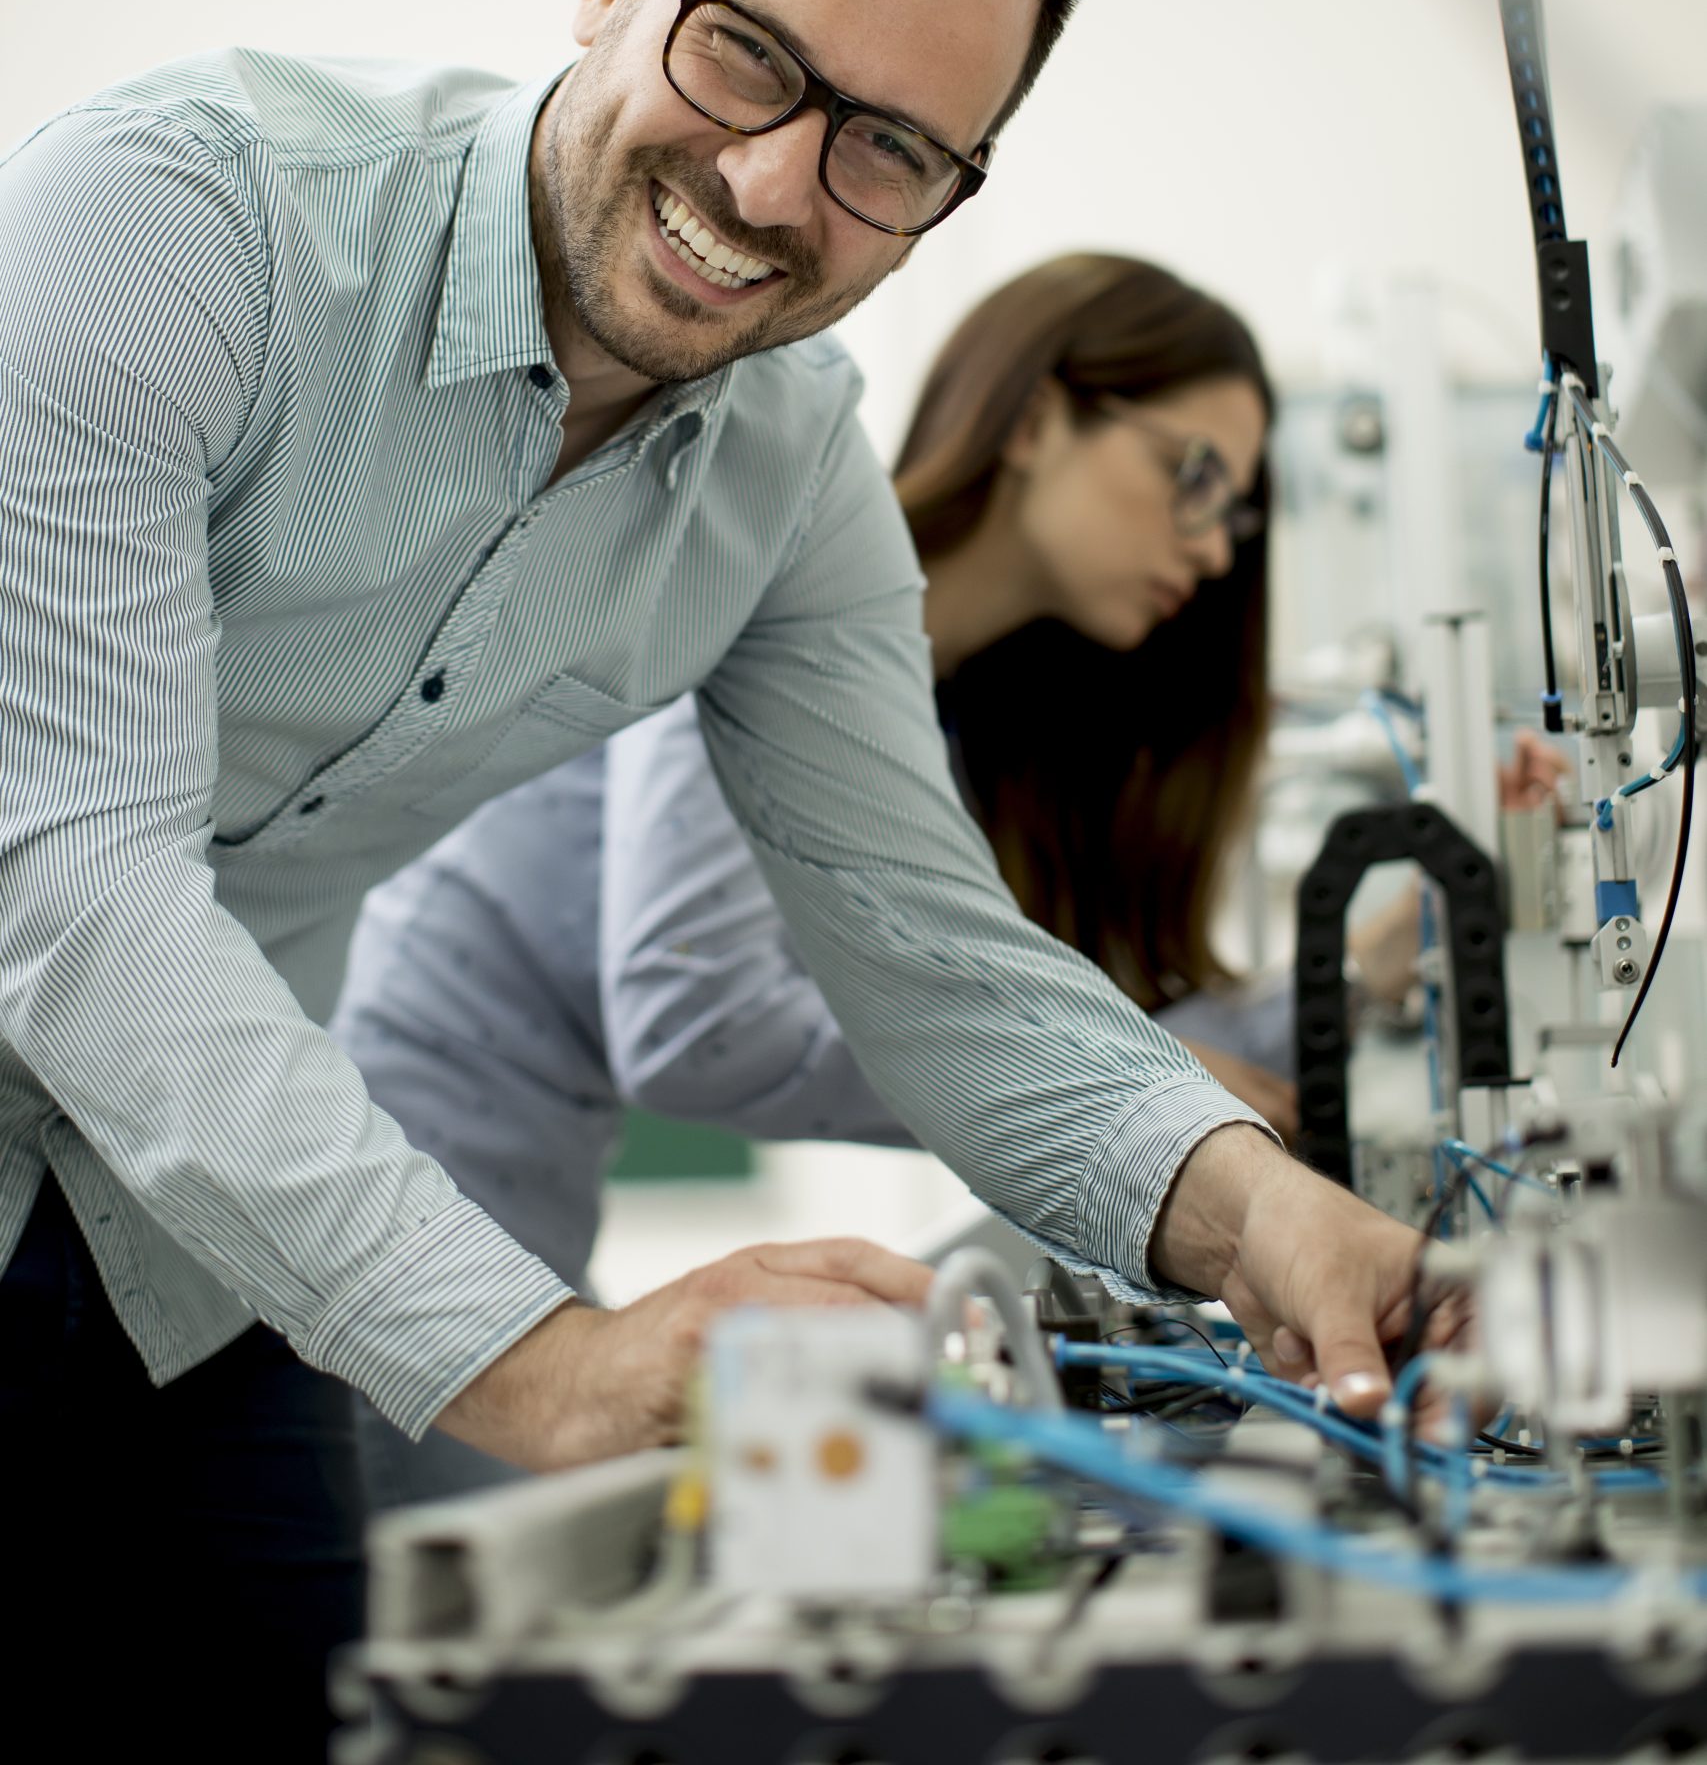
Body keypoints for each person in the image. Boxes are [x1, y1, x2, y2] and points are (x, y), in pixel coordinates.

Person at [0, 0, 1444, 1753]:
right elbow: (74, 883)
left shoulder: (785, 475)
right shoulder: (174, 221)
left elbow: (929, 952)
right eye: (746, 53)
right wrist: (542, 1351)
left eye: (892, 153)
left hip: (191, 1255)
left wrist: (1249, 1200)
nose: (772, 185)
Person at [339, 251, 1561, 1505]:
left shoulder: (960, 717)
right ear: (1037, 420)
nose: (1210, 545)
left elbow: (1037, 1015)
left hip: (514, 1196)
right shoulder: (773, 584)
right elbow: (693, 1019)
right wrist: (1141, 1106)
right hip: (393, 1186)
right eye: (1190, 474)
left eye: (1237, 510)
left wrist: (1358, 970)